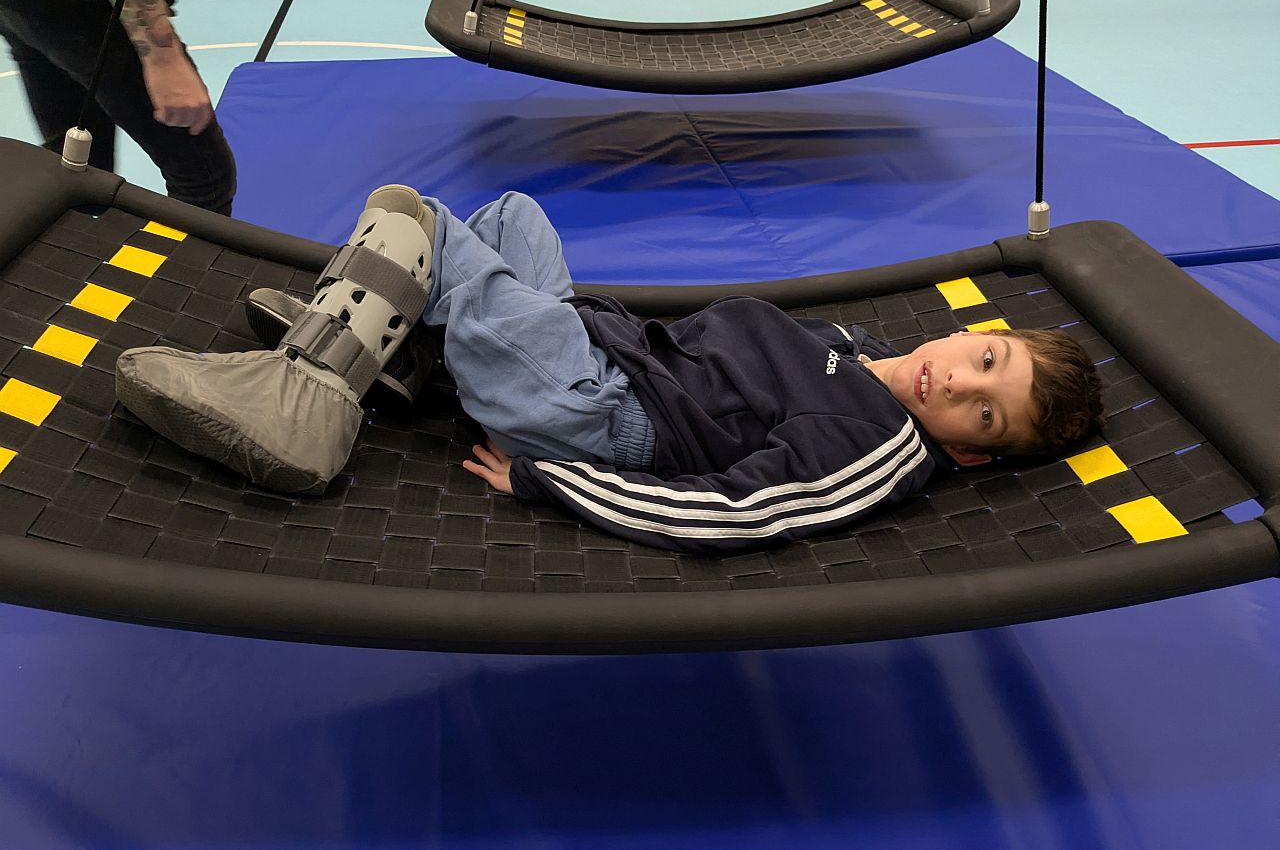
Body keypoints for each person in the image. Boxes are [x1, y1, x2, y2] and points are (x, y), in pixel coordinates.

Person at [116, 188, 1105, 556]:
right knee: (514, 219)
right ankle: (396, 357)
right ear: (977, 332)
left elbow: (739, 510)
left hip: (595, 413)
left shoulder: (876, 447)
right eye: (986, 361)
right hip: (601, 356)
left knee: (409, 215)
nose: (959, 386)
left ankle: (306, 397)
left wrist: (556, 480)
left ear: (971, 460)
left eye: (983, 416)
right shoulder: (848, 353)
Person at [0, 0, 235, 214]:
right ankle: (182, 262)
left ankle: (76, 254)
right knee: (204, 175)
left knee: (77, 167)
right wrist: (161, 54)